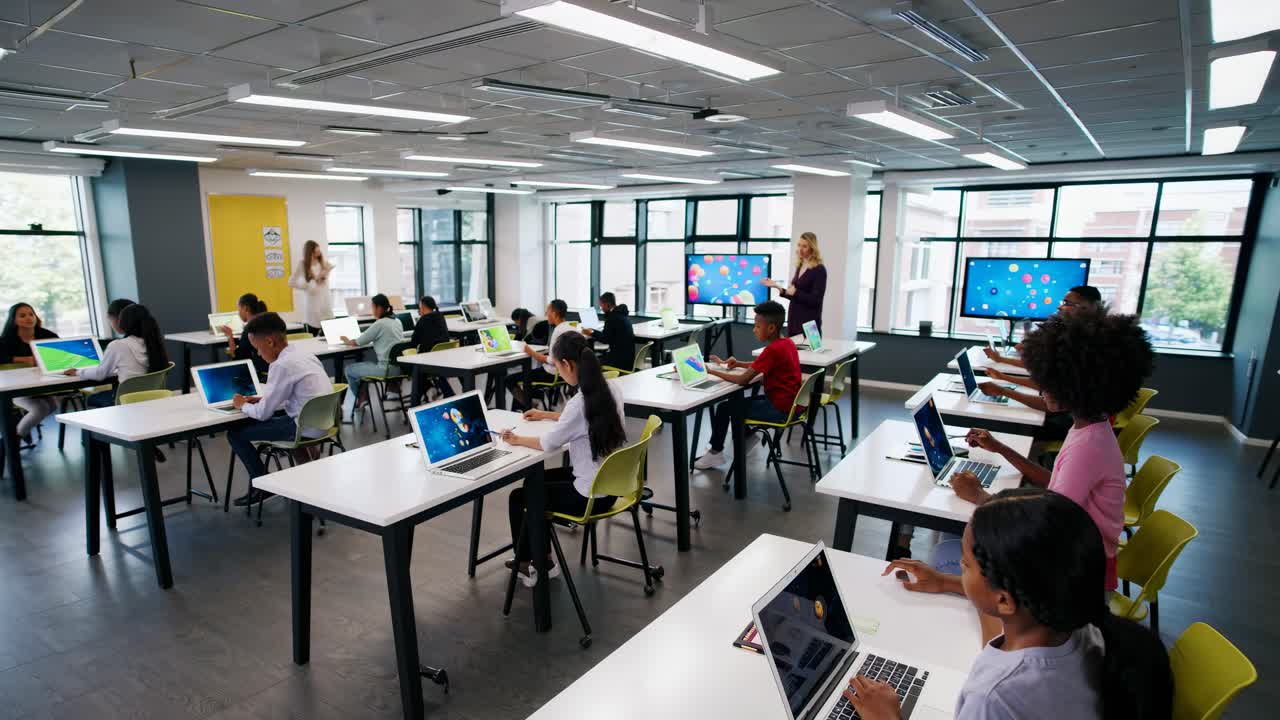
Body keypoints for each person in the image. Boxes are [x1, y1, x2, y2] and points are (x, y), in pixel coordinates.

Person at [854, 488, 1172, 720]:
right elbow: (1008, 638)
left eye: (964, 565)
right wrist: (946, 581)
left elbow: (1003, 679)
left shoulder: (992, 697)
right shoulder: (1086, 631)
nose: (960, 569)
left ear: (1005, 599)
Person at [949, 310, 1154, 591]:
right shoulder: (1089, 429)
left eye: (1048, 382)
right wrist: (1000, 448)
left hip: (1075, 576)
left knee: (958, 555)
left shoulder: (1089, 447)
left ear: (1074, 386)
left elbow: (1044, 524)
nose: (1041, 388)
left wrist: (979, 496)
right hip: (1074, 555)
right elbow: (1055, 486)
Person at [500, 331, 627, 586]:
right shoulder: (610, 388)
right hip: (610, 486)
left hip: (589, 496)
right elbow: (581, 420)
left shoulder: (578, 403)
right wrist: (547, 414)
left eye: (557, 366)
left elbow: (548, 443)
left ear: (568, 364)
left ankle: (528, 565)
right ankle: (543, 559)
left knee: (520, 498)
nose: (557, 371)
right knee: (533, 486)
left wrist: (516, 440)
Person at [226, 313, 333, 506]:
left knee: (235, 434)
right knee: (280, 420)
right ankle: (309, 473)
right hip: (325, 423)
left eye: (257, 348)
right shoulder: (305, 355)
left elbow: (262, 414)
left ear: (269, 342)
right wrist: (262, 399)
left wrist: (243, 405)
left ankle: (261, 486)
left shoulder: (281, 365)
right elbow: (298, 395)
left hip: (303, 428)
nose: (258, 354)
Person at [694, 300, 801, 469]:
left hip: (778, 409)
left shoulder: (772, 350)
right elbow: (759, 364)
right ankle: (748, 436)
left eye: (757, 326)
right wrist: (736, 364)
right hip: (790, 405)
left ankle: (715, 453)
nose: (754, 329)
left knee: (725, 408)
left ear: (771, 328)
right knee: (736, 405)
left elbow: (743, 380)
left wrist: (711, 371)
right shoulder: (786, 343)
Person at [66, 303, 168, 409]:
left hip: (126, 399)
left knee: (91, 398)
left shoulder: (118, 345)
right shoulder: (155, 345)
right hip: (153, 398)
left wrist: (77, 372)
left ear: (123, 323)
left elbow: (100, 374)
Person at [0, 303, 59, 444]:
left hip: (41, 383)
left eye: (31, 314)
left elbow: (59, 351)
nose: (28, 318)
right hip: (15, 387)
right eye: (22, 315)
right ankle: (11, 441)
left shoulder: (46, 335)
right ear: (14, 320)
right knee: (40, 408)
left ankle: (15, 432)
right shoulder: (6, 339)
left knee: (53, 406)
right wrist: (22, 359)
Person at [341, 293, 405, 416]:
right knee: (364, 368)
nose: (372, 311)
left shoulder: (379, 323)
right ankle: (365, 397)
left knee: (349, 369)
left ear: (379, 308)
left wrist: (346, 340)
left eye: (373, 307)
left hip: (384, 370)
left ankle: (361, 398)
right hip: (399, 369)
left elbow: (358, 342)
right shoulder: (397, 321)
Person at [508, 299, 573, 411]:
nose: (545, 314)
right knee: (525, 375)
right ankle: (526, 403)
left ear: (554, 313)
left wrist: (530, 352)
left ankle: (529, 406)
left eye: (547, 311)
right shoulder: (569, 327)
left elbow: (552, 361)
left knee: (509, 380)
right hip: (563, 373)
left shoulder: (557, 331)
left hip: (551, 373)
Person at [763, 231, 827, 337]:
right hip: (794, 322)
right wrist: (778, 287)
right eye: (799, 245)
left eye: (804, 246)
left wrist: (796, 292)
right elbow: (794, 295)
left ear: (812, 248)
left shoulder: (819, 270)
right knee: (793, 353)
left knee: (812, 353)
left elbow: (816, 300)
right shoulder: (800, 265)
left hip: (810, 326)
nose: (800, 249)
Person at [410, 295, 452, 403]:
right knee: (429, 374)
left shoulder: (423, 320)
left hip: (428, 361)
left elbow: (413, 343)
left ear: (423, 307)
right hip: (444, 359)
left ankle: (415, 403)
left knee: (416, 369)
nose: (419, 310)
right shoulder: (440, 317)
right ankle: (440, 391)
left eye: (420, 308)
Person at [581, 292, 636, 371]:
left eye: (601, 305)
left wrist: (591, 332)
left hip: (619, 362)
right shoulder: (622, 314)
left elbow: (605, 339)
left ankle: (593, 383)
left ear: (607, 304)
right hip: (628, 360)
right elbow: (608, 336)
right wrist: (593, 331)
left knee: (590, 362)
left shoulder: (612, 318)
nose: (601, 308)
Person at [288, 240, 334, 332]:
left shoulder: (323, 263)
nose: (318, 254)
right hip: (312, 302)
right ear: (309, 252)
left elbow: (323, 281)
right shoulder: (303, 264)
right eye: (315, 252)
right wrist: (307, 286)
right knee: (314, 331)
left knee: (328, 332)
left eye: (319, 251)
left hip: (325, 300)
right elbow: (291, 282)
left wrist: (324, 275)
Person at [220, 293, 269, 376]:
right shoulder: (266, 320)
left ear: (246, 308)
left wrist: (229, 336)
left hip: (263, 373)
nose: (238, 312)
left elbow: (238, 359)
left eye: (239, 309)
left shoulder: (249, 328)